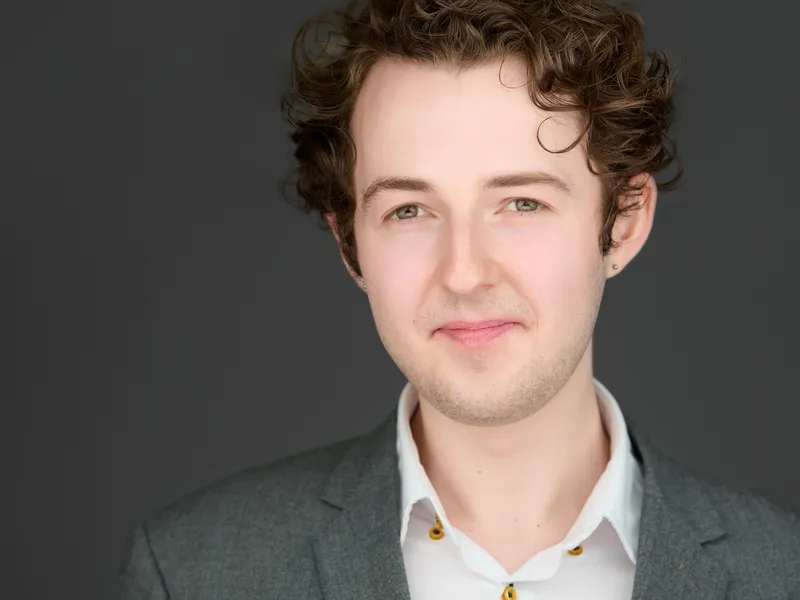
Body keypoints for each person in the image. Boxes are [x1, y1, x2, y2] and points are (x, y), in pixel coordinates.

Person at [117, 0, 799, 598]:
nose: (465, 273)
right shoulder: (193, 572)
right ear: (350, 244)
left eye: (522, 203)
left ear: (622, 221)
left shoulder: (784, 572)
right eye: (410, 211)